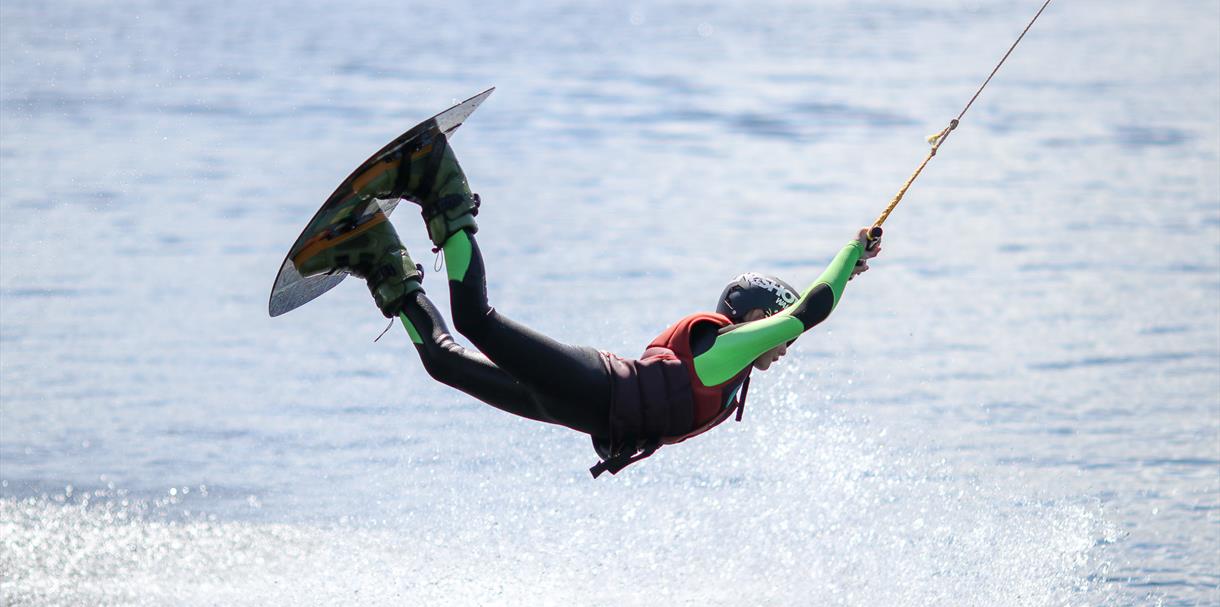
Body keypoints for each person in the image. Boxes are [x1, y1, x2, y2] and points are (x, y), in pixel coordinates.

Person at [297, 133, 882, 476]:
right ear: (756, 319)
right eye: (779, 335)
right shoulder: (725, 350)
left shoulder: (734, 363)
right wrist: (849, 253)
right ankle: (438, 185)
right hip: (598, 388)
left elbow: (805, 314)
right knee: (476, 319)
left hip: (584, 412)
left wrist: (852, 272)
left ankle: (377, 255)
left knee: (442, 362)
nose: (785, 348)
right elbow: (812, 308)